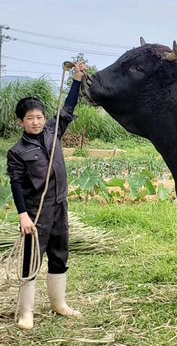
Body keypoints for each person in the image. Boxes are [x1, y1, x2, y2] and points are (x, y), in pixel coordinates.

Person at [6, 62, 87, 330]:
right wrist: (23, 215)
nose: (36, 121)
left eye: (39, 117)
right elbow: (16, 183)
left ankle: (58, 304)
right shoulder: (17, 151)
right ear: (20, 122)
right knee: (32, 259)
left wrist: (76, 79)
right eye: (30, 118)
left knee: (59, 254)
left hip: (59, 206)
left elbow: (68, 108)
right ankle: (26, 312)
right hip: (35, 213)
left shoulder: (53, 132)